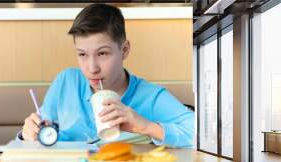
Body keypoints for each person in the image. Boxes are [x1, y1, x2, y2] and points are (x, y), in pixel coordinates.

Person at [18, 3, 194, 148]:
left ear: (124, 50)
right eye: (82, 54)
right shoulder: (66, 81)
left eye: (102, 54)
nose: (92, 68)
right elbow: (43, 131)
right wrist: (29, 133)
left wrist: (146, 126)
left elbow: (202, 134)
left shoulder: (151, 97)